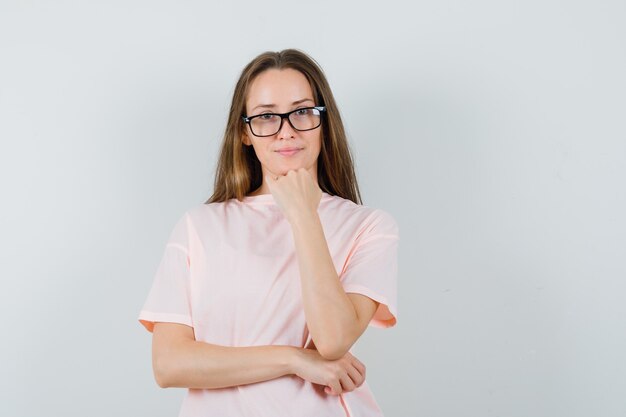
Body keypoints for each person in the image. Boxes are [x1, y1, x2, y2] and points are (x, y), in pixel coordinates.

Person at [138, 48, 399, 417]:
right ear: (244, 132)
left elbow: (332, 340)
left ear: (324, 121)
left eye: (303, 111)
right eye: (265, 117)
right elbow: (169, 365)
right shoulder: (199, 226)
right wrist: (293, 359)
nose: (286, 131)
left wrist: (304, 215)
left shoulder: (370, 227)